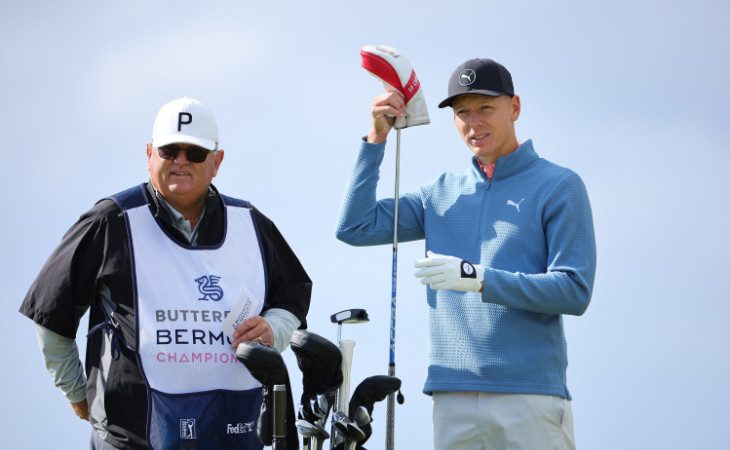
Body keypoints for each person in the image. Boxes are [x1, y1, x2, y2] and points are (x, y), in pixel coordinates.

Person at [20, 97, 312, 449]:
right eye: (170, 150)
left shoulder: (251, 224)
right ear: (149, 154)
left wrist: (273, 330)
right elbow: (52, 312)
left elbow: (293, 297)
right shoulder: (110, 222)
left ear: (217, 162)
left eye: (196, 153)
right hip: (131, 441)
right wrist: (76, 392)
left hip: (235, 438)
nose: (181, 161)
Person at [336, 58, 596, 449]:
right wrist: (376, 139)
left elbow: (574, 290)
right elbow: (354, 227)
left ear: (515, 107)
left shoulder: (559, 185)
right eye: (462, 113)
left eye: (485, 108)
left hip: (530, 396)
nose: (473, 123)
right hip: (452, 395)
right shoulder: (439, 192)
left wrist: (480, 279)